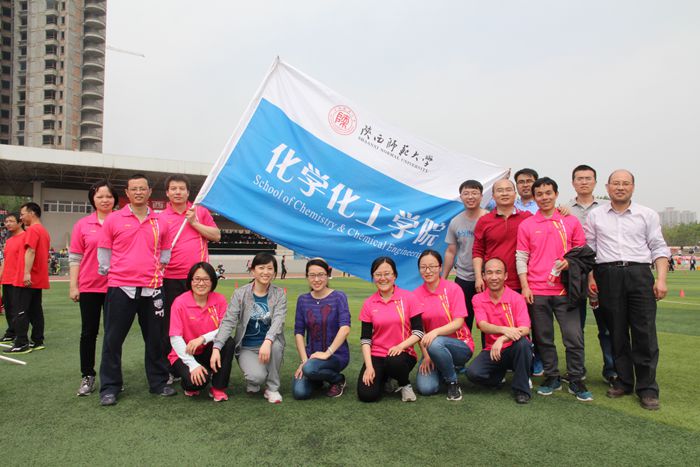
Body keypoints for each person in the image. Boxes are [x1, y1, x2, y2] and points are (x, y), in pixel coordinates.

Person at [585, 169, 669, 410]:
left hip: (639, 274)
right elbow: (590, 250)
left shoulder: (647, 214)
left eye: (625, 183)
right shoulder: (595, 215)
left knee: (644, 332)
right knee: (616, 331)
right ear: (607, 187)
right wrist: (590, 278)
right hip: (607, 275)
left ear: (633, 187)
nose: (620, 187)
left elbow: (658, 247)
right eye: (616, 183)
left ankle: (647, 388)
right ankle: (623, 381)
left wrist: (661, 279)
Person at [97, 173, 175, 406]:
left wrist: (155, 270)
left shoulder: (161, 221)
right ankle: (110, 387)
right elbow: (104, 253)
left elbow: (165, 253)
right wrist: (116, 273)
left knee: (156, 339)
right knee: (113, 340)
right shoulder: (114, 219)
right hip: (121, 288)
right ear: (127, 193)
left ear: (149, 192)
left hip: (153, 288)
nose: (139, 192)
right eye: (134, 189)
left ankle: (158, 382)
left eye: (143, 188)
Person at [516, 177, 591, 401]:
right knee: (543, 338)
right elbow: (521, 257)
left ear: (556, 194)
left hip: (566, 291)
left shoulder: (570, 221)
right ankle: (552, 376)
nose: (544, 197)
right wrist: (525, 286)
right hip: (537, 291)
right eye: (539, 194)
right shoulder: (527, 225)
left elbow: (583, 255)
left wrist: (570, 263)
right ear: (534, 197)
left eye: (548, 193)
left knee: (573, 337)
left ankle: (575, 378)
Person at [158, 175, 220, 377]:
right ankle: (173, 367)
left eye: (181, 188)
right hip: (170, 278)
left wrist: (194, 222)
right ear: (167, 192)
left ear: (188, 192)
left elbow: (216, 235)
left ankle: (204, 360)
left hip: (199, 279)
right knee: (171, 325)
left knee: (202, 321)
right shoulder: (161, 217)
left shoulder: (199, 211)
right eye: (173, 188)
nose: (178, 192)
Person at [211, 252, 286, 403]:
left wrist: (268, 341)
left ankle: (272, 388)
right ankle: (254, 380)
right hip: (247, 347)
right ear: (253, 270)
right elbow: (228, 321)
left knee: (276, 346)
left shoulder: (279, 294)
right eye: (261, 268)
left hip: (269, 344)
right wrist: (217, 347)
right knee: (256, 377)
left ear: (274, 272)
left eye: (270, 268)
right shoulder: (240, 293)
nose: (266, 272)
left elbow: (278, 321)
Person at [68, 180, 118, 396]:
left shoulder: (122, 221)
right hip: (89, 287)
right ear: (92, 199)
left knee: (113, 335)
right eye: (100, 196)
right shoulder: (82, 225)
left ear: (115, 199)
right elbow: (75, 258)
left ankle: (112, 377)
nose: (105, 200)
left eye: (109, 196)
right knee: (89, 333)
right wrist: (74, 286)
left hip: (116, 286)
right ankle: (87, 375)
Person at [567, 164, 616, 384]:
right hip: (575, 274)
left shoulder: (607, 208)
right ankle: (577, 369)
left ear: (595, 182)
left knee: (607, 326)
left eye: (588, 178)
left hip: (603, 271)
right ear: (573, 182)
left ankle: (612, 369)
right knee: (575, 328)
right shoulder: (564, 210)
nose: (584, 182)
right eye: (579, 178)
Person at [466, 258, 533, 404]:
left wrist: (502, 338)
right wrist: (504, 330)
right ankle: (498, 377)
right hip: (493, 350)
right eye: (489, 273)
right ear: (483, 276)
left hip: (514, 348)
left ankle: (521, 389)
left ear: (505, 276)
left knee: (524, 344)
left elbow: (525, 328)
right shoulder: (478, 299)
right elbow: (482, 325)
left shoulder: (516, 298)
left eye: (498, 272)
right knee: (472, 373)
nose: (494, 277)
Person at [357, 257, 423, 402]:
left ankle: (404, 384)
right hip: (377, 355)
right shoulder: (369, 303)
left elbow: (418, 332)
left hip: (402, 354)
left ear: (395, 275)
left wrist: (400, 346)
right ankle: (385, 379)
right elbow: (366, 339)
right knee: (367, 395)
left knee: (394, 361)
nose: (383, 278)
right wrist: (369, 366)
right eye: (378, 274)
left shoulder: (408, 298)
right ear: (373, 277)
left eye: (387, 273)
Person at [168, 262, 235, 402]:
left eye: (205, 279)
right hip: (185, 352)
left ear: (212, 281)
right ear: (190, 281)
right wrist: (192, 365)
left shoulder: (219, 299)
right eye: (197, 279)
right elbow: (175, 337)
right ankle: (191, 380)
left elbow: (225, 327)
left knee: (228, 342)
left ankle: (218, 387)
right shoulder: (180, 302)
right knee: (196, 383)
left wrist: (202, 339)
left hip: (207, 349)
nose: (201, 283)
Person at [414, 250, 474, 401]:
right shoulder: (415, 295)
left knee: (436, 342)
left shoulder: (453, 289)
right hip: (432, 349)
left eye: (432, 266)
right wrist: (427, 356)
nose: (428, 271)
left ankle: (452, 382)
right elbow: (420, 331)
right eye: (423, 267)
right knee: (426, 388)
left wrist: (435, 333)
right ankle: (444, 366)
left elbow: (459, 322)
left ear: (440, 267)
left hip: (460, 345)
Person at [292, 258, 351, 399]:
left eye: (321, 275)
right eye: (312, 275)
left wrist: (327, 353)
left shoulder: (338, 297)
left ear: (327, 275)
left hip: (336, 355)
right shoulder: (303, 300)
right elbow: (299, 332)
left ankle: (338, 379)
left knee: (310, 369)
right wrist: (304, 361)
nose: (317, 279)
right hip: (311, 358)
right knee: (300, 393)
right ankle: (317, 376)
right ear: (307, 276)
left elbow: (345, 328)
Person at [4, 202, 50, 355]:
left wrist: (26, 273)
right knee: (35, 310)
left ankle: (21, 342)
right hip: (38, 277)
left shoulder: (33, 230)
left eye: (23, 214)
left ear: (32, 213)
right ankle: (37, 340)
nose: (21, 217)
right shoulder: (43, 230)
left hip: (28, 277)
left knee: (20, 309)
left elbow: (31, 251)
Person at [442, 180, 488, 333]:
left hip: (488, 278)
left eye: (474, 193)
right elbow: (451, 251)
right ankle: (463, 348)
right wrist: (443, 279)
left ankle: (490, 349)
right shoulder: (455, 221)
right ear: (461, 197)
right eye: (466, 193)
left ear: (481, 196)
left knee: (488, 321)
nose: (470, 197)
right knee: (462, 322)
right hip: (463, 278)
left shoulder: (489, 218)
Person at [0, 213, 24, 343]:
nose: (7, 224)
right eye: (6, 221)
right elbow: (5, 261)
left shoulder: (25, 237)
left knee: (17, 309)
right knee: (8, 308)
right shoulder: (8, 241)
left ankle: (20, 335)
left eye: (11, 221)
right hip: (7, 279)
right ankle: (11, 332)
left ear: (20, 223)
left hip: (18, 280)